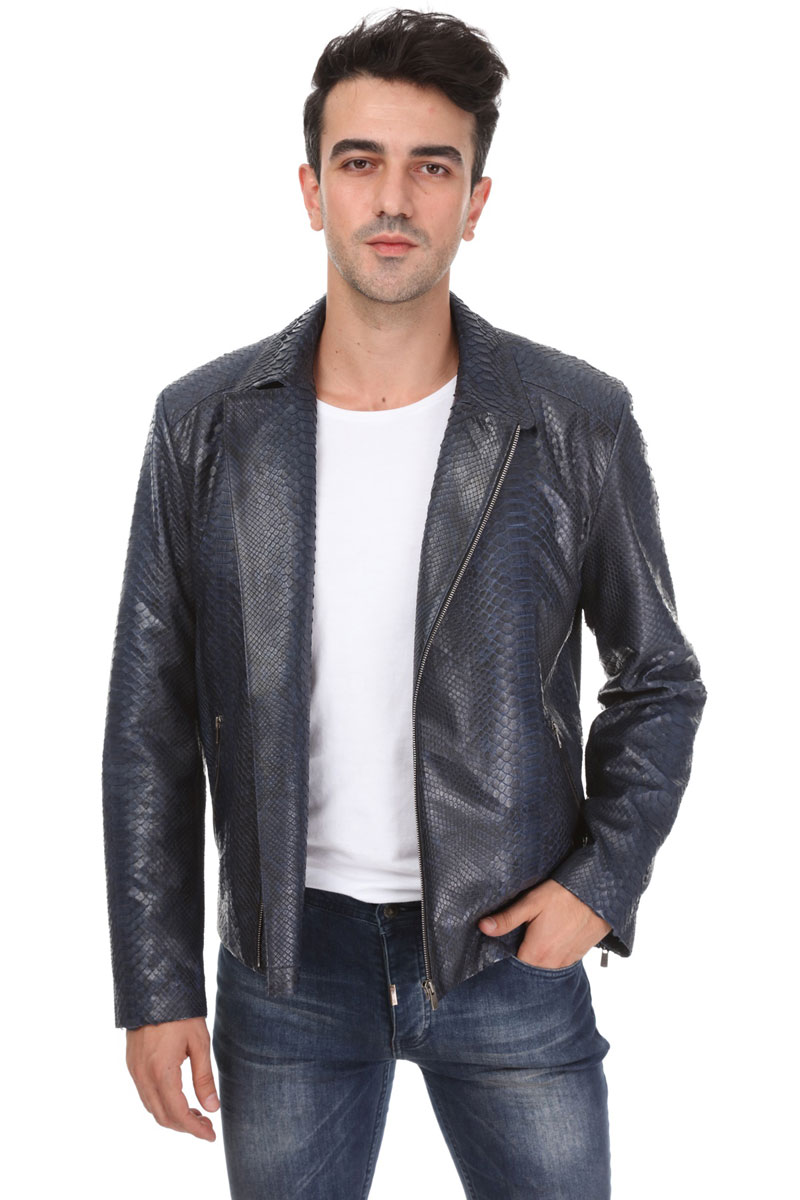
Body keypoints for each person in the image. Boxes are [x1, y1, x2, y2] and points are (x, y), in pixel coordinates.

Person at [102, 8, 707, 1198]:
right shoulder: (203, 427)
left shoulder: (570, 419)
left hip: (508, 948)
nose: (392, 199)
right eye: (359, 162)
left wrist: (597, 886)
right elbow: (148, 723)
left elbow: (657, 677)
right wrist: (156, 985)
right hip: (285, 961)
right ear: (311, 189)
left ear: (474, 201)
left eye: (431, 167)